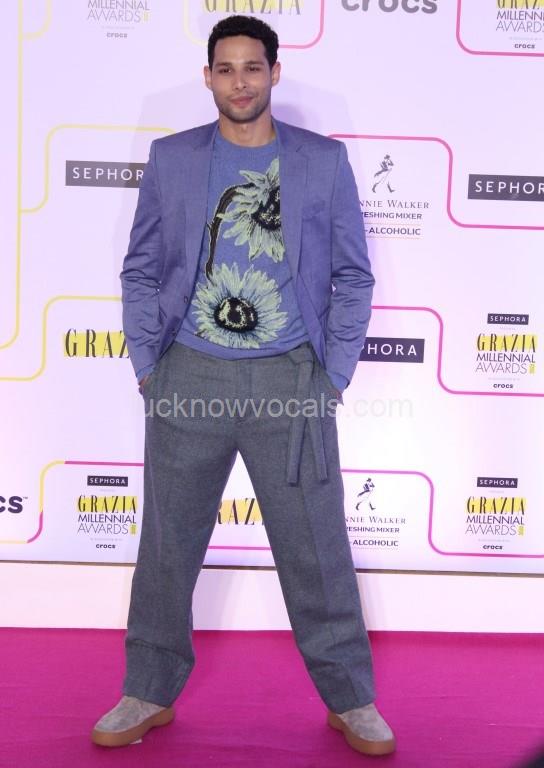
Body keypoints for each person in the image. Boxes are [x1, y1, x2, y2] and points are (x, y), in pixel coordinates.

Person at [91, 14, 395, 757]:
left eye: (252, 67)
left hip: (291, 379)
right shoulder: (172, 158)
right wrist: (149, 366)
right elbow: (140, 267)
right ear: (208, 77)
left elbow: (353, 275)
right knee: (167, 547)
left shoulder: (322, 161)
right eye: (225, 69)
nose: (239, 82)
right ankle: (147, 691)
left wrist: (332, 376)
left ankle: (351, 699)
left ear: (274, 72)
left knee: (317, 548)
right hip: (187, 374)